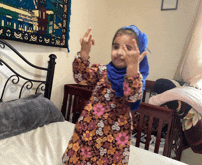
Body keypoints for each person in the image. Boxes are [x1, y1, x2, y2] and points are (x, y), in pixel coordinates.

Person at [62, 25, 149, 165]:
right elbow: (81, 77)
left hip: (113, 137)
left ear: (139, 55)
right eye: (116, 47)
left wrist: (133, 68)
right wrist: (84, 51)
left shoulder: (135, 79)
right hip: (88, 129)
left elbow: (132, 95)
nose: (120, 52)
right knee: (79, 157)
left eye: (128, 48)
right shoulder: (102, 70)